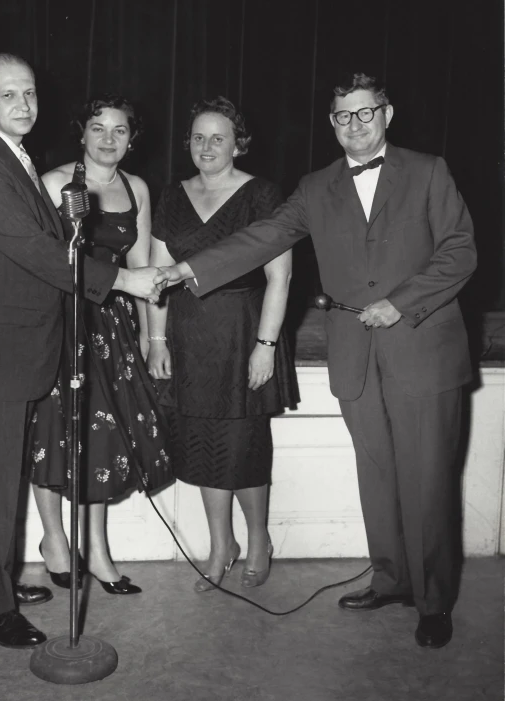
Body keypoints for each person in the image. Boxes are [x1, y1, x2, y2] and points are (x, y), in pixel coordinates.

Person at [155, 74, 476, 647]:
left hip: (422, 347)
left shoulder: (429, 171)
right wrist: (187, 270)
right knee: (376, 476)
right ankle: (391, 579)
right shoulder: (316, 186)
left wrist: (400, 304)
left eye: (364, 113)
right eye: (342, 116)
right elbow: (262, 236)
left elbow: (460, 252)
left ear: (387, 113)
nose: (354, 125)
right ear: (331, 123)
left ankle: (433, 601)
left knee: (426, 480)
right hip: (354, 352)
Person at [0, 53, 163, 649]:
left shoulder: (11, 158)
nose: (23, 104)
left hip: (13, 346)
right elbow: (39, 253)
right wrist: (123, 281)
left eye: (30, 92)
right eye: (8, 94)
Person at [147, 97, 299, 592]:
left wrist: (265, 345)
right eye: (198, 137)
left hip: (242, 331)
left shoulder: (261, 194)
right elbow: (157, 276)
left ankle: (258, 541)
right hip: (189, 336)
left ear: (238, 142)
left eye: (218, 137)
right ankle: (220, 546)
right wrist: (156, 339)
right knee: (202, 446)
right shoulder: (172, 196)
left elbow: (280, 278)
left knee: (245, 444)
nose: (206, 146)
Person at [29, 94, 172, 594]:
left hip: (110, 330)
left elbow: (141, 271)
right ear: (81, 133)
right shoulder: (52, 184)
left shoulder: (136, 188)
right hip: (60, 322)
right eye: (98, 128)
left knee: (98, 440)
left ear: (132, 139)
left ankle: (97, 550)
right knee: (53, 433)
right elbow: (37, 260)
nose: (108, 138)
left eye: (119, 130)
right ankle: (54, 541)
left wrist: (155, 339)